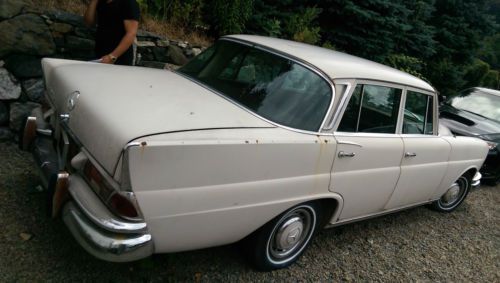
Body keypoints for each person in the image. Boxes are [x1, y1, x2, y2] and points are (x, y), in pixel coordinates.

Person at [84, 0, 140, 65]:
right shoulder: (102, 2)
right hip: (100, 55)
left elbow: (131, 33)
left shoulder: (129, 2)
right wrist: (94, 1)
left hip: (119, 59)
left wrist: (112, 56)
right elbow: (88, 22)